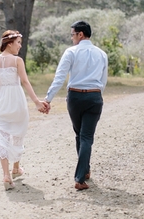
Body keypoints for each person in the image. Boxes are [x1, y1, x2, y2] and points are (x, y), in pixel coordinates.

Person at [39, 19, 109, 190]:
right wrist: (98, 96)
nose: (71, 38)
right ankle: (83, 173)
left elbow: (60, 77)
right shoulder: (102, 54)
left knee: (80, 135)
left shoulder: (71, 52)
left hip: (75, 98)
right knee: (86, 137)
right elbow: (103, 80)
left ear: (80, 34)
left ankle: (81, 175)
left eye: (72, 35)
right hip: (94, 97)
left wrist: (48, 99)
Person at [0, 30, 48, 188]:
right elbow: (25, 82)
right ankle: (15, 167)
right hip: (17, 100)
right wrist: (36, 101)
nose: (20, 46)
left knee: (3, 136)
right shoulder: (17, 61)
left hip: (1, 101)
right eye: (18, 43)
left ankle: (7, 175)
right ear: (9, 43)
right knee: (18, 133)